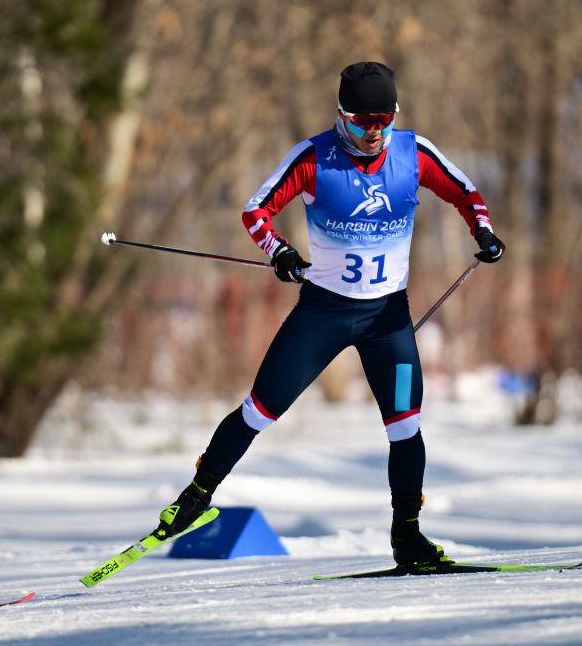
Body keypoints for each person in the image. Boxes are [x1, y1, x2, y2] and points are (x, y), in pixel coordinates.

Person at [155, 62, 505, 566]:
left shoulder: (413, 152)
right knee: (259, 411)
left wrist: (485, 233)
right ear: (342, 116)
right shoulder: (314, 157)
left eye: (385, 118)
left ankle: (408, 534)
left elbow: (466, 193)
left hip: (387, 317)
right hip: (324, 313)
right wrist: (278, 250)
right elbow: (256, 211)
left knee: (406, 425)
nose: (375, 131)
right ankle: (196, 496)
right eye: (363, 120)